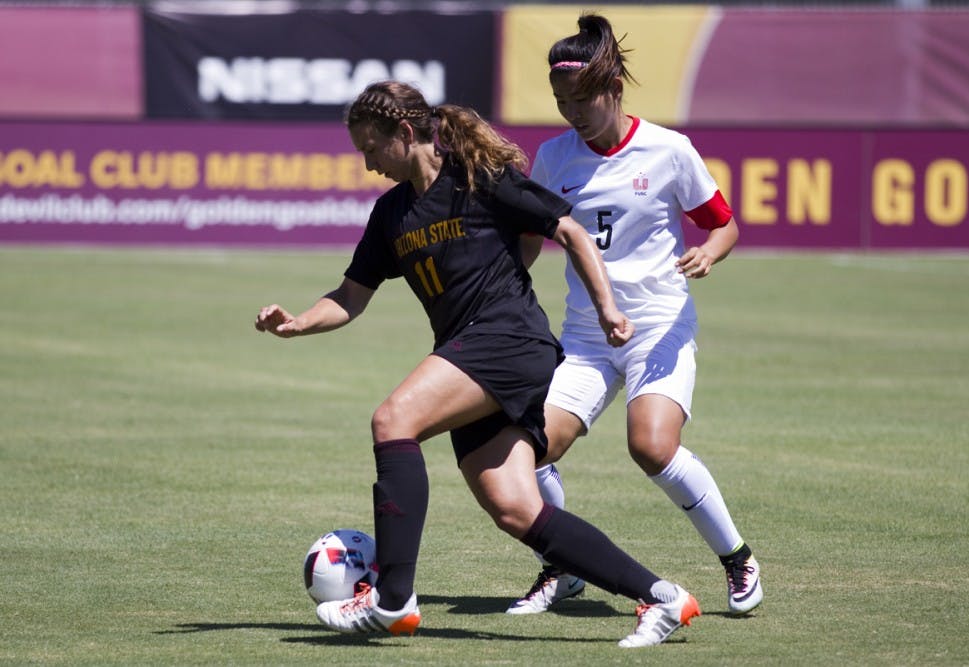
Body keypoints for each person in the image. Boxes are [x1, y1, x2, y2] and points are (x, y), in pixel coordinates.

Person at [255, 80, 701, 648]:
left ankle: (393, 601)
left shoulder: (477, 180)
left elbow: (569, 230)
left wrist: (608, 308)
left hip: (508, 342)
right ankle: (662, 597)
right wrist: (296, 322)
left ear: (407, 133)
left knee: (393, 421)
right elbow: (350, 297)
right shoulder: (391, 213)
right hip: (474, 354)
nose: (367, 165)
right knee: (518, 511)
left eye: (371, 149)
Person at [508, 14, 762, 617]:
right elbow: (526, 240)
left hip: (658, 326)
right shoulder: (552, 158)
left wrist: (708, 252)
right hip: (585, 335)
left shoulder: (670, 149)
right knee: (531, 450)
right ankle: (562, 568)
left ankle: (738, 559)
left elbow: (724, 224)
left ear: (613, 87)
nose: (571, 112)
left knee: (650, 447)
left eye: (581, 100)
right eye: (560, 101)